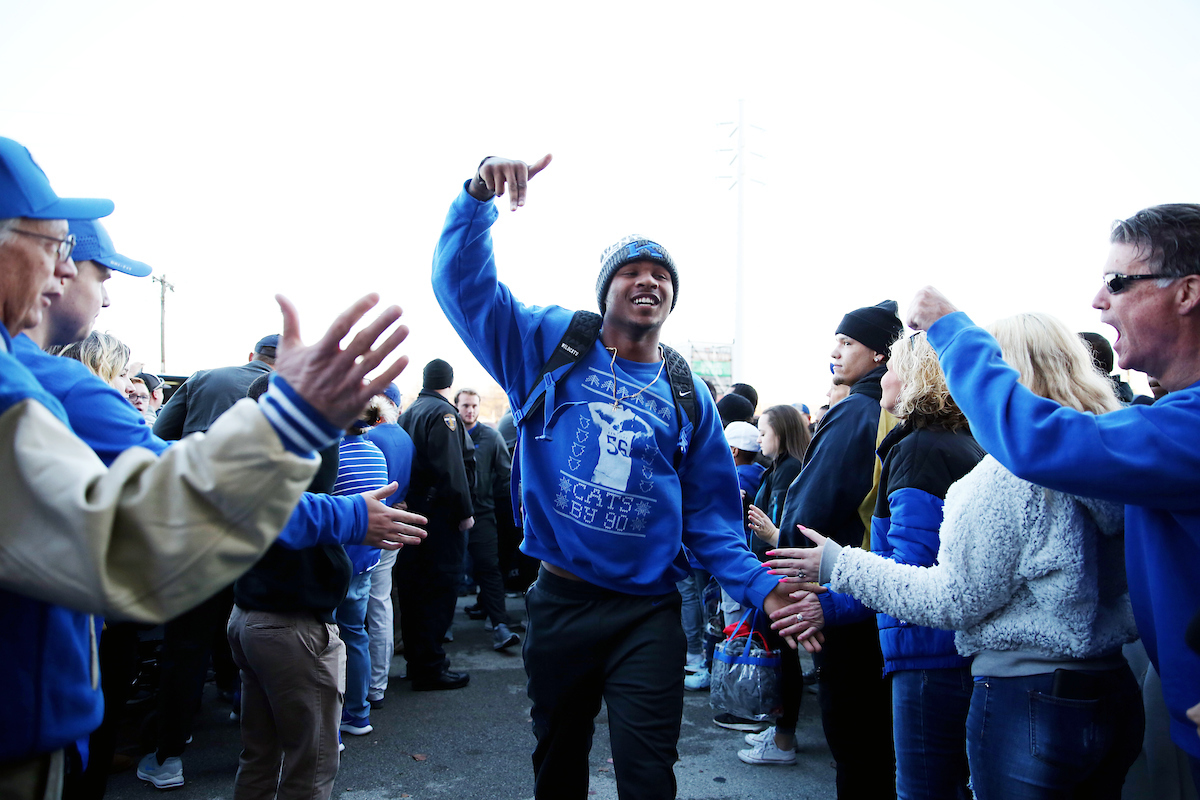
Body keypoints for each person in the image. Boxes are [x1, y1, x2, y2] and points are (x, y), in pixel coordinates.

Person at [0, 134, 412, 799]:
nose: (71, 277)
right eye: (62, 252)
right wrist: (296, 429)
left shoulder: (38, 380)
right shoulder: (45, 389)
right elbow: (140, 536)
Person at [431, 153, 796, 800]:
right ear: (606, 290)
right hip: (561, 602)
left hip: (647, 615)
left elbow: (712, 520)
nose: (648, 281)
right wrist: (477, 196)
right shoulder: (551, 344)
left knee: (649, 776)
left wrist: (760, 587)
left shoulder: (687, 393)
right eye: (631, 271)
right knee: (559, 765)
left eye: (661, 275)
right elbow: (464, 289)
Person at [771, 312, 1143, 799]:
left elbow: (950, 597)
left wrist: (837, 568)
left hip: (1022, 692)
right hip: (1111, 685)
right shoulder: (1112, 461)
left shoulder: (998, 475)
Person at [901, 203, 1200, 792]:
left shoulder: (1187, 428)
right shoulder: (1170, 424)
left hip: (1028, 701)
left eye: (1119, 281)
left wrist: (951, 328)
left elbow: (1037, 444)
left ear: (1188, 291)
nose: (1098, 300)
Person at [782, 333, 984, 798]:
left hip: (925, 655)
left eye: (890, 367)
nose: (883, 379)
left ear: (915, 378)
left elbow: (909, 575)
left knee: (905, 782)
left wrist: (826, 601)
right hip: (949, 651)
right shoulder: (954, 441)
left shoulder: (920, 449)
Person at [774, 300, 903, 795]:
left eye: (848, 342)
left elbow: (810, 508)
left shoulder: (857, 410)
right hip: (879, 591)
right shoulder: (883, 409)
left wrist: (785, 573)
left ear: (878, 354)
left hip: (843, 594)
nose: (835, 351)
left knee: (856, 745)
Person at [731, 404, 811, 763]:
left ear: (782, 432)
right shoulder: (776, 468)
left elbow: (785, 530)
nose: (759, 438)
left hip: (780, 577)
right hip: (771, 575)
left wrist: (771, 531)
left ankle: (783, 740)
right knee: (779, 656)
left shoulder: (790, 469)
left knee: (784, 658)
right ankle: (779, 730)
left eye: (764, 432)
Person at [396, 359, 475, 691]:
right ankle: (430, 666)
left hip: (416, 513)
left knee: (415, 590)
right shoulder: (442, 415)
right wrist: (465, 511)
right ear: (449, 381)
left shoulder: (409, 412)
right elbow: (452, 470)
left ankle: (419, 662)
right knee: (439, 589)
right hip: (439, 518)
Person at [456, 388, 522, 651]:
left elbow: (506, 475)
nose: (470, 410)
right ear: (456, 406)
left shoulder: (491, 437)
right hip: (453, 515)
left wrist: (512, 506)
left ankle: (499, 626)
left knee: (490, 568)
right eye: (465, 406)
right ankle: (441, 628)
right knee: (449, 573)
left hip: (482, 513)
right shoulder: (449, 434)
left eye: (473, 405)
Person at [363, 384, 415, 709]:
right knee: (381, 604)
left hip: (372, 527)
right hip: (396, 520)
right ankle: (377, 683)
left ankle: (371, 684)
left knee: (365, 608)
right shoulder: (404, 437)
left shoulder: (371, 438)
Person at [153, 333, 278, 439]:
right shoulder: (285, 393)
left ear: (251, 356)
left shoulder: (202, 377)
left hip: (195, 464)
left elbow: (159, 433)